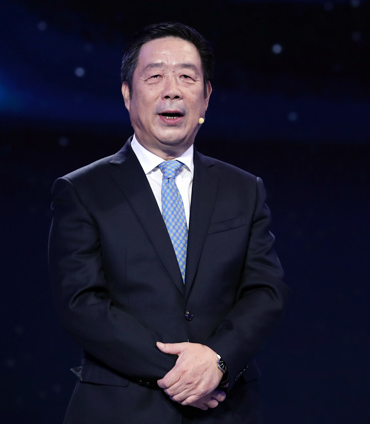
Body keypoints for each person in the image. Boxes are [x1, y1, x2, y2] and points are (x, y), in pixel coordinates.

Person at [48, 22, 288, 423]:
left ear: (206, 97)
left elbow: (265, 291)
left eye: (186, 77)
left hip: (225, 408)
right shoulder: (83, 190)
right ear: (127, 94)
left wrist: (218, 360)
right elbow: (81, 304)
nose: (172, 90)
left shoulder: (244, 189)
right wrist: (184, 375)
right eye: (155, 76)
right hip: (121, 409)